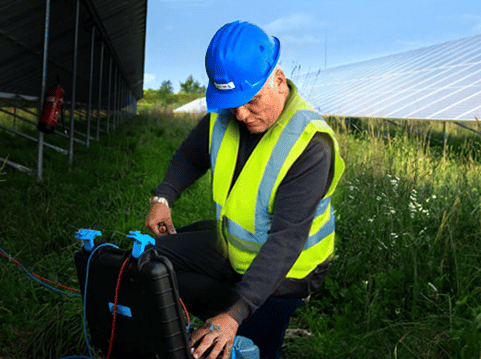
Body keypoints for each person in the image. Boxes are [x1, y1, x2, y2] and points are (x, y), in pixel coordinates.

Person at [144, 21, 345, 359]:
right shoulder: (228, 113)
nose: (240, 113)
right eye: (231, 101)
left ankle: (239, 328)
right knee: (152, 259)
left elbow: (285, 243)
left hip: (288, 273)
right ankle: (203, 325)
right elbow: (190, 158)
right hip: (235, 249)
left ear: (278, 80)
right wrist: (163, 197)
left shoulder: (311, 145)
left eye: (251, 100)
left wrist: (235, 315)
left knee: (245, 351)